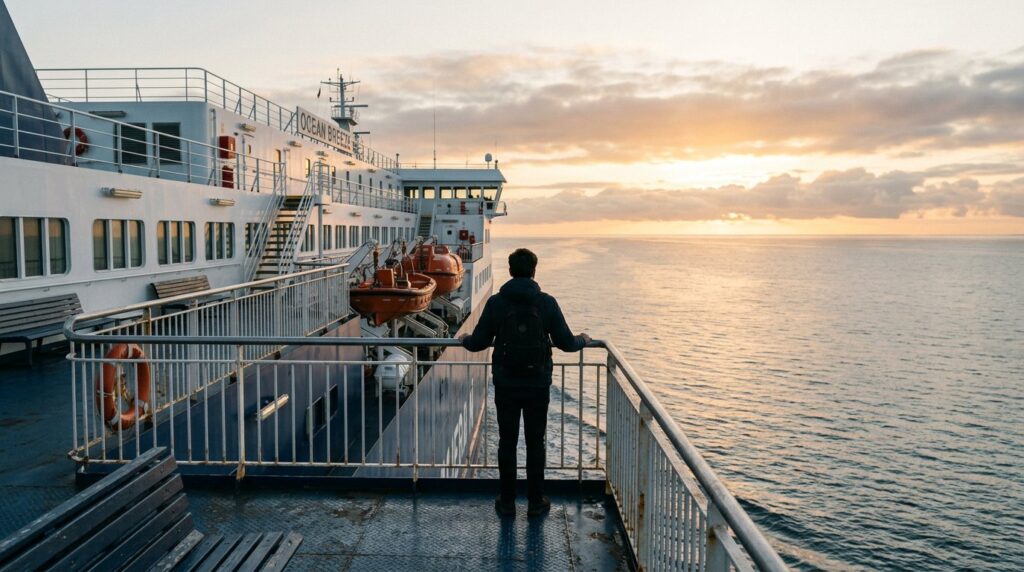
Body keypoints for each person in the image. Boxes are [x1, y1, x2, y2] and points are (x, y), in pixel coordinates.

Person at [460, 248, 591, 517]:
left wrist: (464, 340)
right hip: (537, 385)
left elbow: (479, 342)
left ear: (510, 271)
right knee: (535, 443)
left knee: (507, 443)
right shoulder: (546, 303)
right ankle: (536, 502)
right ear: (534, 270)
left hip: (506, 384)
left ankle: (507, 503)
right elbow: (567, 343)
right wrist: (584, 339)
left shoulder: (496, 303)